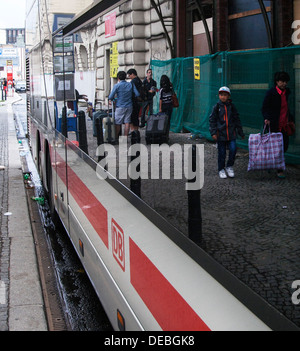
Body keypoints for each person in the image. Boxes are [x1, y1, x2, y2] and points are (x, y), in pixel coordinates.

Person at [262, 71, 294, 178]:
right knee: (276, 147)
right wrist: (267, 118)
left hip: (284, 124)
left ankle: (273, 164)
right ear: (277, 82)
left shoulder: (287, 93)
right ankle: (279, 169)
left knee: (284, 146)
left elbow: (289, 107)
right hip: (274, 124)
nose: (284, 83)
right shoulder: (271, 93)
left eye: (286, 81)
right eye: (282, 81)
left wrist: (291, 119)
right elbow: (264, 107)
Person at [209, 86, 245, 179]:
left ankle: (229, 166)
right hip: (221, 134)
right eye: (221, 95)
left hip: (231, 134)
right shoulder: (216, 107)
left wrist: (240, 132)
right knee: (222, 153)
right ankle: (221, 169)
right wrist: (213, 132)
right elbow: (212, 120)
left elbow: (237, 119)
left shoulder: (232, 107)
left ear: (228, 96)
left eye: (225, 95)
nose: (223, 97)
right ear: (219, 95)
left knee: (233, 150)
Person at [108, 70, 139, 138]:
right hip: (129, 106)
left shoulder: (117, 85)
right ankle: (125, 138)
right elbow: (137, 94)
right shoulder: (130, 84)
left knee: (118, 123)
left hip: (120, 106)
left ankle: (116, 137)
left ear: (118, 78)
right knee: (127, 122)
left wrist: (114, 99)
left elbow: (110, 96)